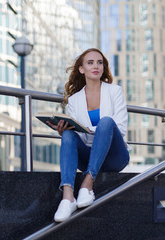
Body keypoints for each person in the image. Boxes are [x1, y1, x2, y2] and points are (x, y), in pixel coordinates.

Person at [47, 48, 130, 222]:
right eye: (90, 63)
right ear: (81, 69)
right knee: (68, 136)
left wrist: (94, 130)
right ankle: (68, 197)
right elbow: (79, 137)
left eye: (100, 62)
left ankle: (87, 184)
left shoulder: (114, 91)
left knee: (106, 122)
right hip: (88, 155)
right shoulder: (74, 100)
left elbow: (120, 128)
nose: (96, 66)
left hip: (114, 156)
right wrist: (65, 129)